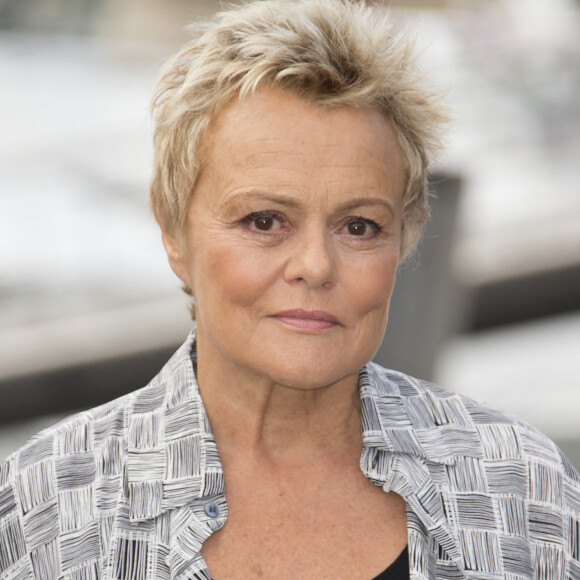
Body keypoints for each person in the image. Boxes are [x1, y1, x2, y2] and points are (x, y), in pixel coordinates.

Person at [1, 1, 579, 579]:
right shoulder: (40, 513)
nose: (314, 266)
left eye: (358, 226)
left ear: (403, 242)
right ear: (173, 230)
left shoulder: (526, 493)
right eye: (264, 221)